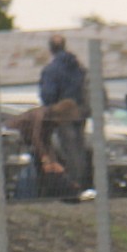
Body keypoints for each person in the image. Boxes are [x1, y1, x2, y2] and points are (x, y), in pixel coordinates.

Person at [38, 35, 94, 202]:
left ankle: (73, 189)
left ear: (51, 49)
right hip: (79, 112)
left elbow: (48, 95)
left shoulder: (52, 70)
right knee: (79, 149)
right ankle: (84, 186)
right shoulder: (78, 66)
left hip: (63, 114)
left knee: (68, 151)